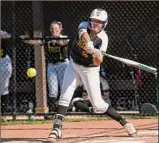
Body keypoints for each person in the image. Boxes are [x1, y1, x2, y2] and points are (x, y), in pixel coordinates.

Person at [47, 8, 137, 142]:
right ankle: (56, 129)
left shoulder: (103, 39)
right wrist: (88, 44)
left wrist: (96, 54)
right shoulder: (83, 25)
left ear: (104, 24)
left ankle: (124, 122)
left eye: (99, 22)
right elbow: (83, 34)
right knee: (65, 95)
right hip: (74, 64)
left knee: (98, 105)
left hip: (90, 70)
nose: (95, 24)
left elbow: (97, 62)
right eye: (93, 21)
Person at [24, 21, 70, 112]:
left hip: (63, 64)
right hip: (52, 65)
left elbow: (62, 43)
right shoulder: (48, 39)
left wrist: (55, 38)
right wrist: (26, 39)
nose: (54, 30)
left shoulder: (64, 37)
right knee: (53, 89)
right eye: (52, 29)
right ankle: (53, 109)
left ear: (60, 29)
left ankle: (64, 109)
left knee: (63, 87)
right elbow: (37, 41)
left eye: (56, 29)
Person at [0, 30, 13, 114]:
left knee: (4, 86)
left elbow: (9, 35)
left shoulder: (2, 33)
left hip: (3, 60)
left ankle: (3, 112)